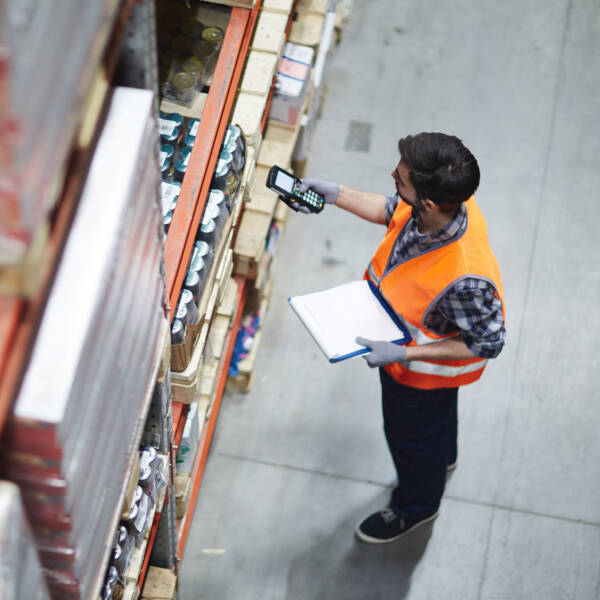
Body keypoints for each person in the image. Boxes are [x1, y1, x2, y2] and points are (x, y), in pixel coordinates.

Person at [298, 132, 506, 544]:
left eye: (402, 178)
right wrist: (336, 194)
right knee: (436, 430)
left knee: (411, 439)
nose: (393, 175)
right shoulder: (445, 206)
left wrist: (404, 353)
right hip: (414, 368)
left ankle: (418, 506)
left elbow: (489, 342)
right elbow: (393, 210)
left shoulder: (466, 278)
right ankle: (443, 458)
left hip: (418, 377)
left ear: (428, 202)